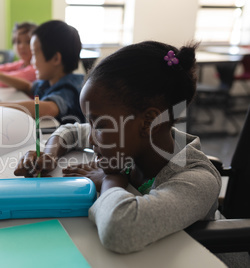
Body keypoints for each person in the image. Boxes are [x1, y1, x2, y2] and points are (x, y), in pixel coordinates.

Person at [14, 41, 222, 254]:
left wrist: (109, 180)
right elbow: (71, 131)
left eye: (100, 125)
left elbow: (120, 229)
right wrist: (49, 156)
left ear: (148, 122)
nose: (92, 139)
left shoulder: (197, 181)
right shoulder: (136, 142)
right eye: (91, 123)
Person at [0, 20, 86, 125]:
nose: (32, 62)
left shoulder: (70, 87)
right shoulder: (48, 81)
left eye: (34, 54)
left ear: (55, 59)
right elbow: (27, 86)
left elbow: (47, 108)